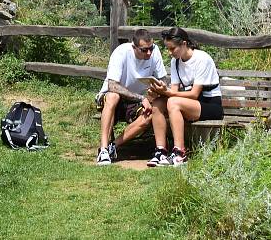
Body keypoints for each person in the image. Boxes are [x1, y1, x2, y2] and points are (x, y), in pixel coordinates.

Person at [146, 27, 223, 167]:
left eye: (172, 48)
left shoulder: (202, 59)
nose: (170, 53)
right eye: (167, 49)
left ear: (184, 43)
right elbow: (173, 91)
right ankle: (161, 151)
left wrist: (169, 93)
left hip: (210, 105)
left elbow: (194, 94)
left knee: (174, 102)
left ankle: (180, 153)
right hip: (191, 103)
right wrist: (160, 91)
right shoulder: (175, 62)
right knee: (158, 103)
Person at [95, 28, 167, 165]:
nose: (149, 52)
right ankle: (103, 149)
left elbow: (163, 80)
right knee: (112, 97)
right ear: (134, 47)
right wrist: (142, 98)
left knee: (150, 114)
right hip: (115, 98)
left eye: (151, 48)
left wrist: (154, 93)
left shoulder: (155, 52)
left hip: (138, 101)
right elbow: (112, 86)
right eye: (144, 50)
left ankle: (113, 146)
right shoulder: (121, 52)